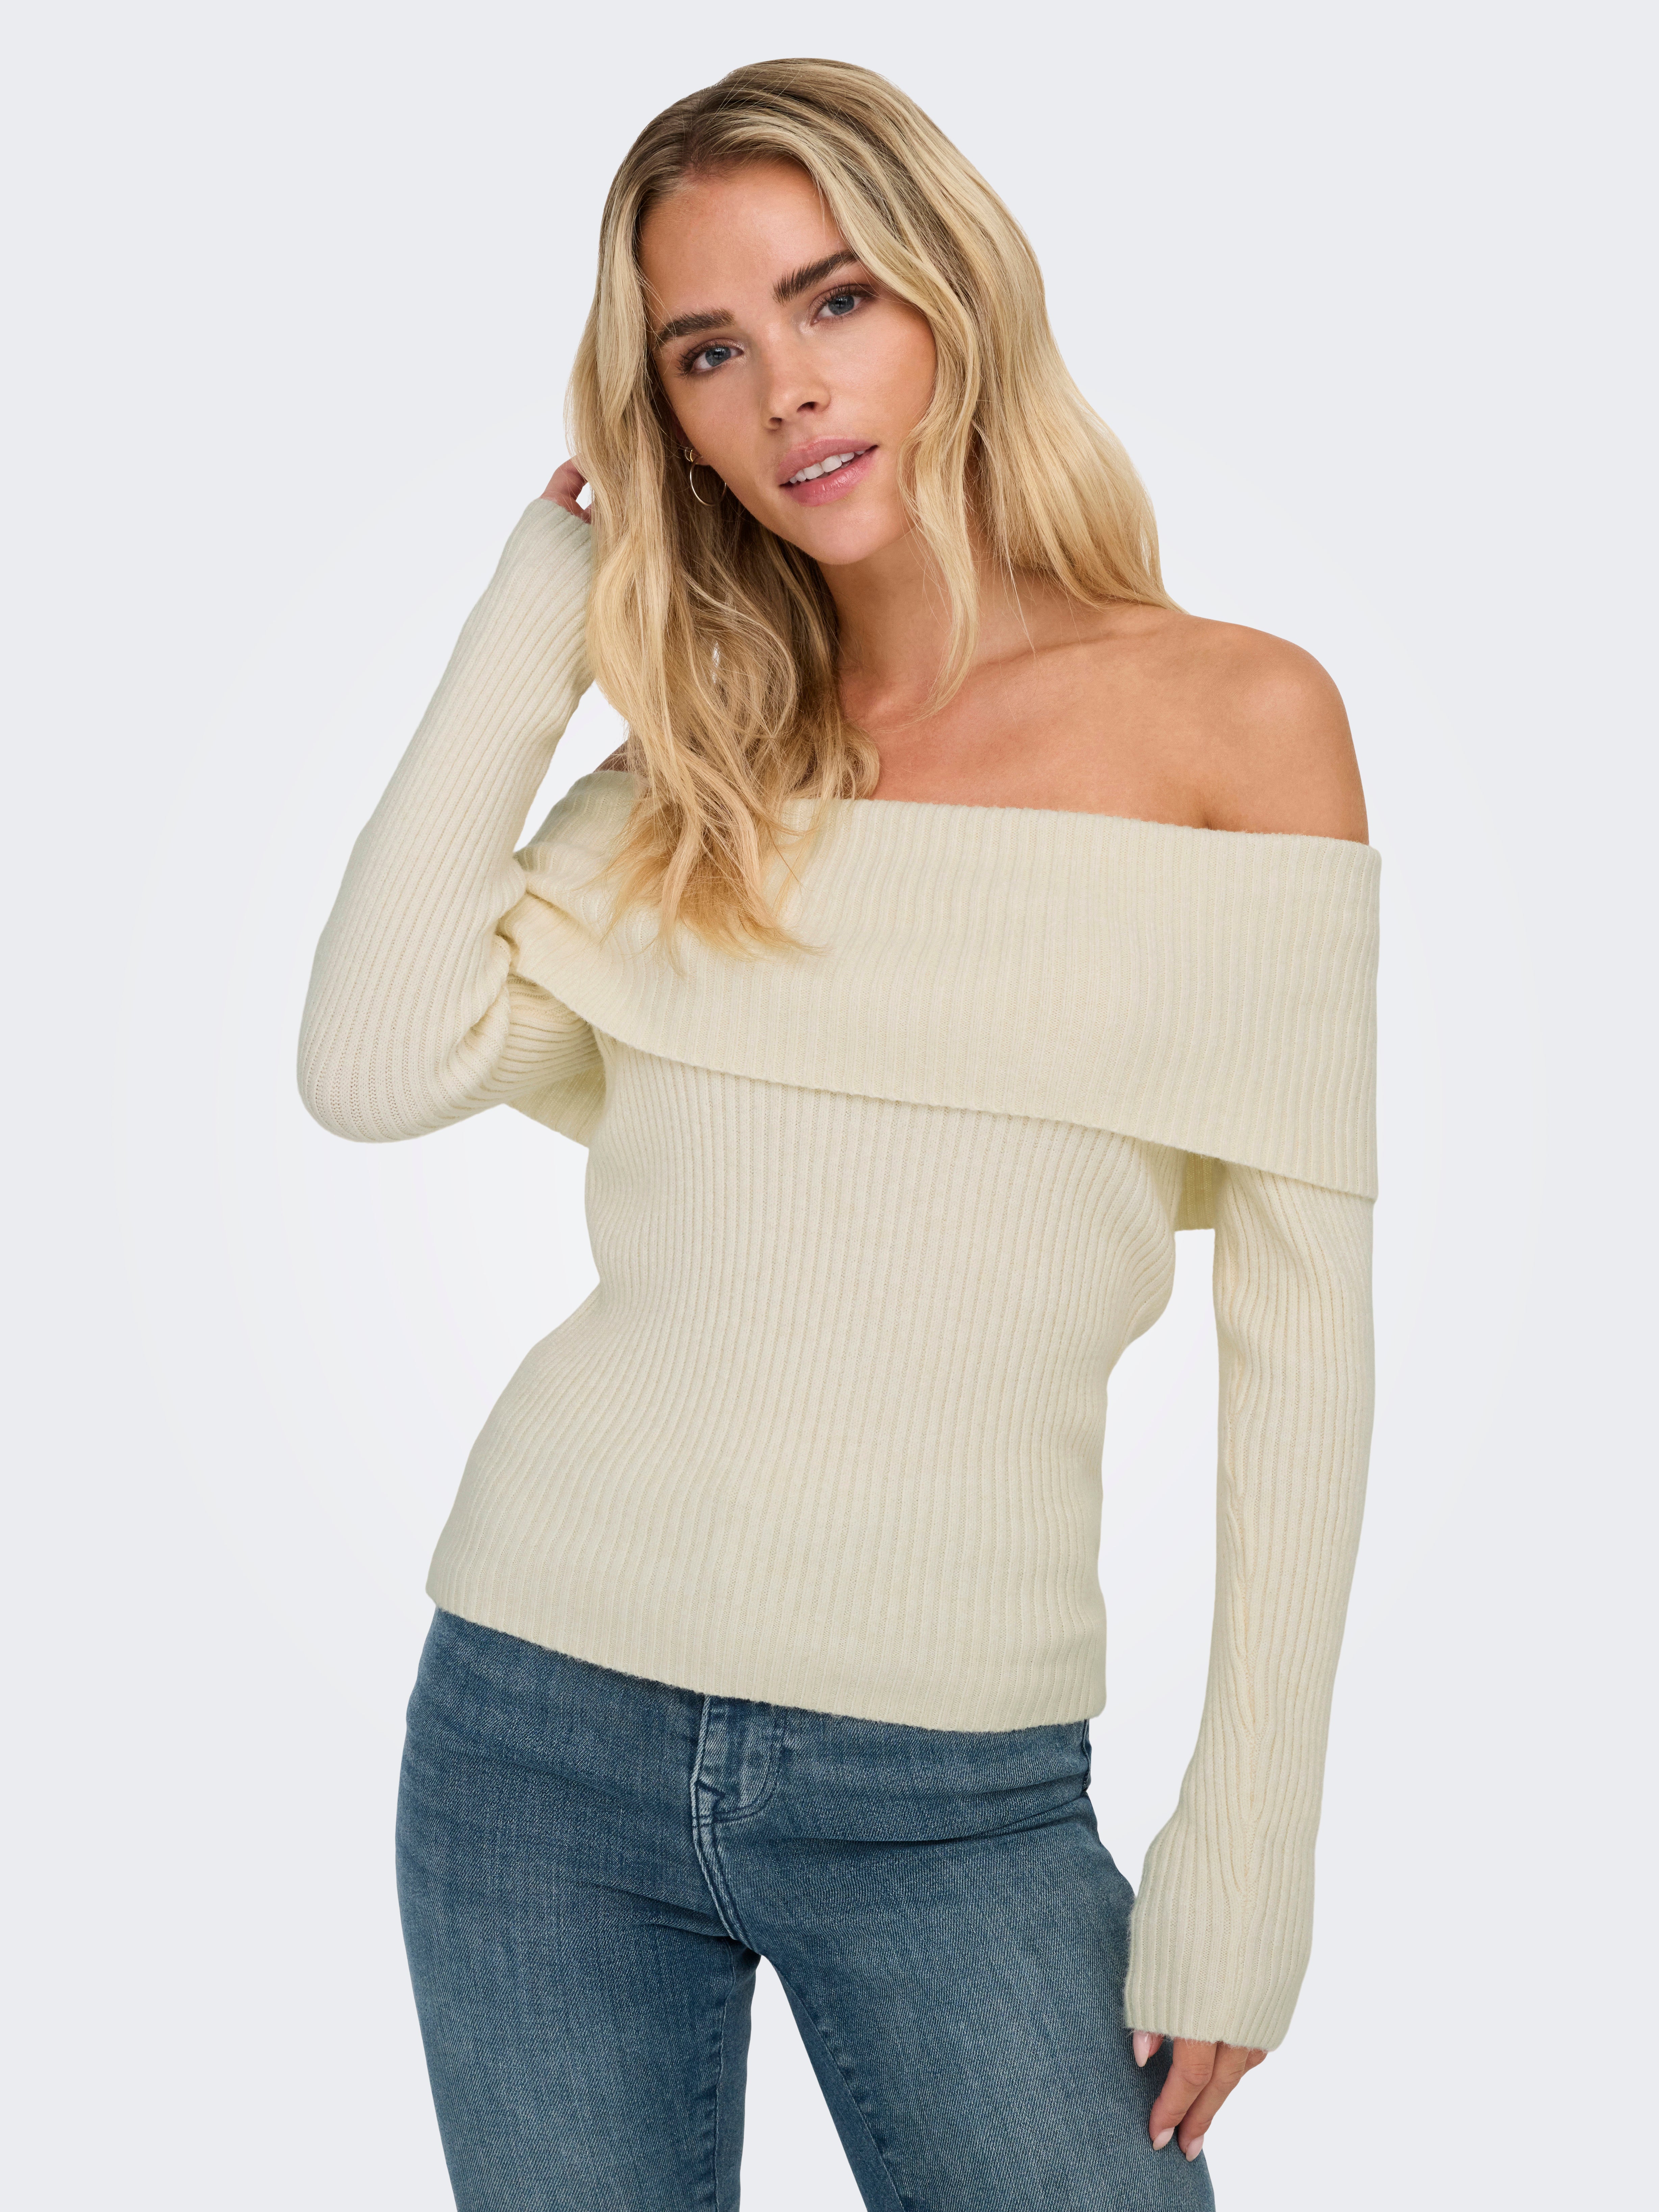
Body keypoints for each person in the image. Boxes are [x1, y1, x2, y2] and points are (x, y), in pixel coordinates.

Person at [298, 55, 1378, 2212]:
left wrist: (1246, 1852)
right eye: (706, 351)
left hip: (954, 1787)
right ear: (671, 423)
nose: (787, 386)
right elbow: (374, 1059)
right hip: (534, 1727)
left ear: (954, 297)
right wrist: (546, 596)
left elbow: (1306, 1331)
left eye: (834, 299)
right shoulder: (700, 773)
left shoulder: (1239, 720)